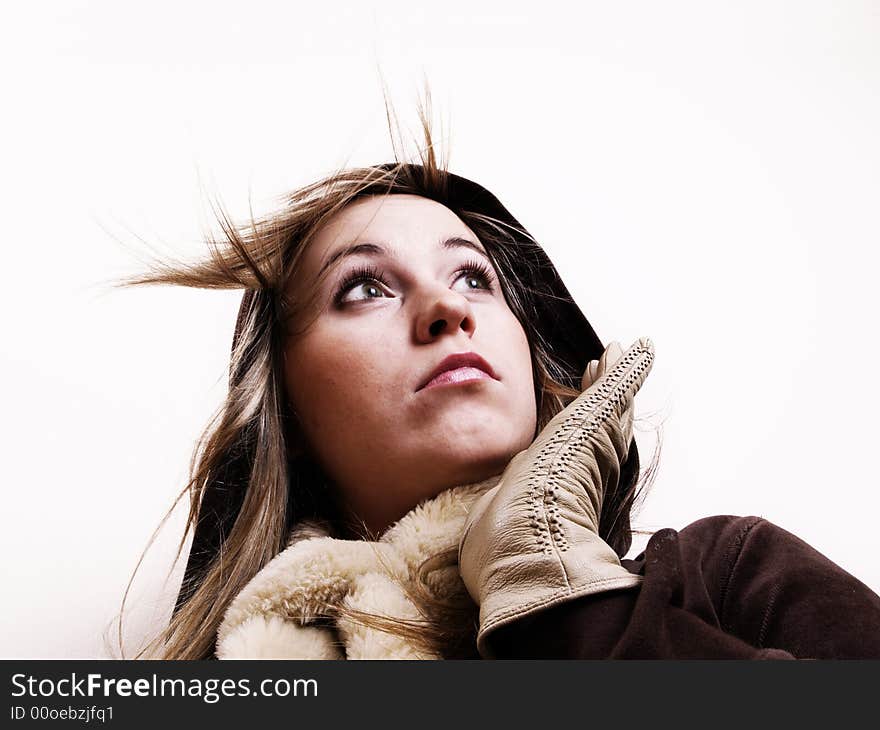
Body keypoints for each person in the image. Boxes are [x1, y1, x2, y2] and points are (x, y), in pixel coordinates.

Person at [117, 110, 880, 661]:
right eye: (363, 289)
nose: (447, 307)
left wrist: (551, 580)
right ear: (286, 409)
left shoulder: (731, 575)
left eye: (474, 276)